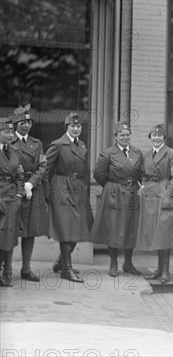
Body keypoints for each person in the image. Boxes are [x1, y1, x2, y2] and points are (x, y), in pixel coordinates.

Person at [91, 121, 144, 277]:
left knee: (130, 228)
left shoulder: (137, 152)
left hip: (132, 192)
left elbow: (141, 173)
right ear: (116, 136)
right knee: (113, 228)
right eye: (122, 135)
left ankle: (128, 263)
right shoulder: (107, 153)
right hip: (115, 193)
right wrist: (112, 186)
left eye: (128, 135)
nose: (125, 137)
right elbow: (99, 174)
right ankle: (113, 263)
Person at [46, 112, 94, 283]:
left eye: (78, 126)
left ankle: (61, 262)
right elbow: (45, 168)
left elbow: (85, 170)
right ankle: (67, 268)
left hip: (78, 188)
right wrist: (47, 193)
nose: (75, 129)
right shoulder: (58, 144)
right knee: (67, 228)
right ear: (66, 127)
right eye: (72, 126)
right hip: (62, 187)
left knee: (80, 226)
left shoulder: (82, 145)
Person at [137, 124, 173, 284]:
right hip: (150, 196)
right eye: (154, 136)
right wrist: (142, 187)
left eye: (160, 136)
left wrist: (168, 194)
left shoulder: (172, 154)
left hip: (165, 193)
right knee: (155, 233)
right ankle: (158, 269)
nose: (156, 138)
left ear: (164, 138)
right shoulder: (147, 155)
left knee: (164, 233)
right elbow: (143, 174)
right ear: (151, 137)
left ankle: (165, 271)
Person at [11, 108, 48, 282]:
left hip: (32, 190)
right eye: (22, 123)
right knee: (9, 230)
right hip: (13, 190)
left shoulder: (37, 143)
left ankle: (26, 268)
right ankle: (6, 269)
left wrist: (31, 183)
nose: (26, 125)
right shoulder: (8, 141)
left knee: (29, 231)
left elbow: (42, 166)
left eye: (28, 122)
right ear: (15, 125)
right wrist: (20, 185)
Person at [0, 118, 25, 287]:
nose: (10, 135)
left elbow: (20, 175)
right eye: (6, 132)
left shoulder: (15, 151)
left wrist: (19, 194)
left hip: (11, 199)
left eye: (11, 132)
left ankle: (7, 270)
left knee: (9, 235)